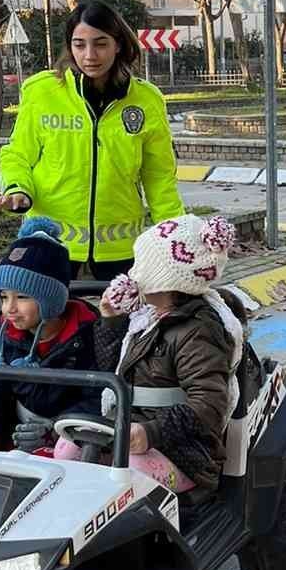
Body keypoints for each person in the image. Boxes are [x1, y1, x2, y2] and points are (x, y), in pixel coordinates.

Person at [0, 0, 184, 283]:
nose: (90, 55)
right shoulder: (42, 91)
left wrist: (176, 233)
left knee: (120, 326)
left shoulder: (147, 101)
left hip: (121, 250)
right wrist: (17, 188)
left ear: (118, 44)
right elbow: (18, 154)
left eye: (101, 43)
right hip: (51, 246)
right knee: (53, 327)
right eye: (79, 44)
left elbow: (159, 177)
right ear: (69, 47)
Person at [55, 213, 244, 498]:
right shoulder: (144, 318)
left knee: (131, 474)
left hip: (184, 450)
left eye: (140, 266)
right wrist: (111, 322)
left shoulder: (198, 332)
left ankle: (141, 539)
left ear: (164, 280)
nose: (132, 274)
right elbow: (112, 370)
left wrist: (151, 432)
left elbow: (209, 404)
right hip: (128, 426)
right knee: (66, 450)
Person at [0, 218, 108, 453]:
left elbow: (96, 399)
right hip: (19, 434)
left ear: (51, 301)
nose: (9, 308)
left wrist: (53, 431)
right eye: (3, 297)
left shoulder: (89, 335)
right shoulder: (1, 338)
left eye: (21, 297)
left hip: (75, 438)